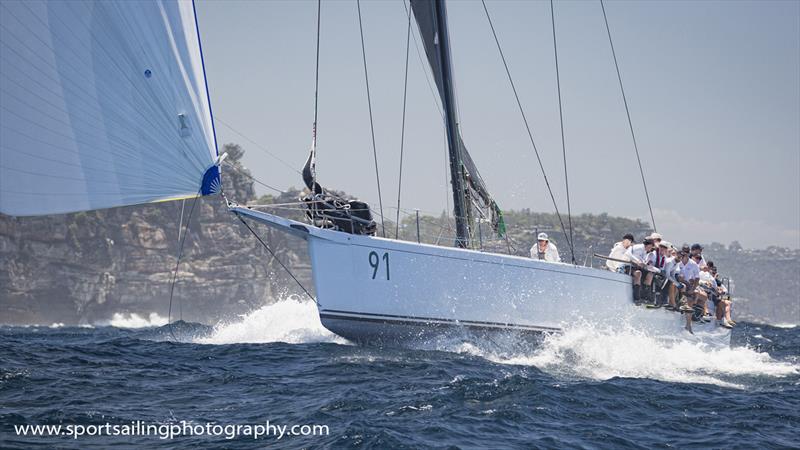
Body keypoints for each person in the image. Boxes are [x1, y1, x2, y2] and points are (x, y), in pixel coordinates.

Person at [676, 251, 701, 333]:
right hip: (678, 283)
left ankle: (688, 325)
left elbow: (697, 278)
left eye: (685, 254)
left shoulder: (693, 264)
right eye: (682, 254)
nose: (683, 256)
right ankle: (682, 304)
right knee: (684, 286)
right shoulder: (677, 262)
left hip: (689, 285)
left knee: (691, 300)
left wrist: (693, 289)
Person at [625, 238, 656, 304]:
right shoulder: (639, 248)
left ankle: (645, 297)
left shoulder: (645, 251)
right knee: (638, 273)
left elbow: (642, 261)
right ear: (648, 245)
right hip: (629, 266)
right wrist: (638, 261)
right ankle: (637, 298)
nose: (650, 249)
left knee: (650, 275)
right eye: (650, 247)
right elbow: (630, 256)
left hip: (637, 267)